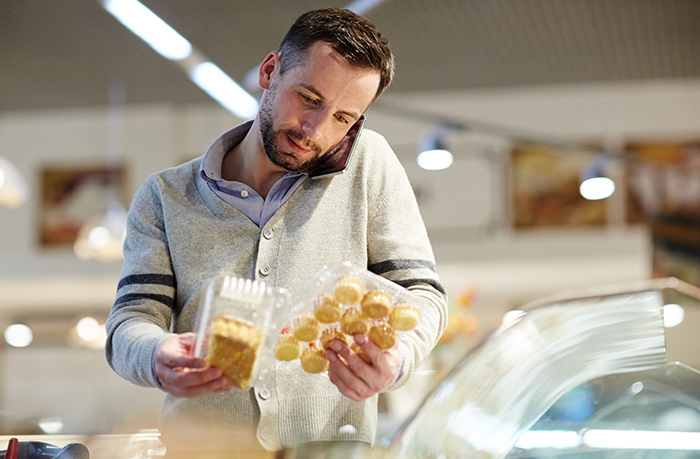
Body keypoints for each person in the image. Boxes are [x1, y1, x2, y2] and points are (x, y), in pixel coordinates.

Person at [105, 7, 447, 456]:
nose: (315, 130)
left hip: (329, 449)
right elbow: (130, 321)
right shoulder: (166, 196)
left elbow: (423, 293)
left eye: (344, 118)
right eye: (308, 98)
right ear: (270, 71)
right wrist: (156, 355)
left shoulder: (369, 164)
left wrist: (396, 359)